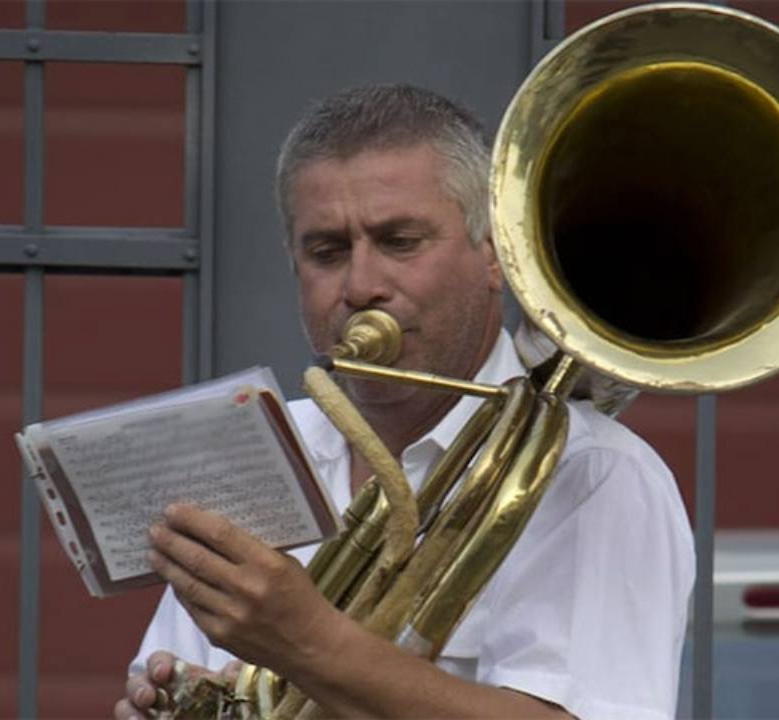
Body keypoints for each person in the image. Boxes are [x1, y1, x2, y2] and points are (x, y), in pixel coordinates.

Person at [115, 84, 695, 720]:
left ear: (497, 253)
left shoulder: (594, 472)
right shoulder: (260, 452)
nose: (361, 286)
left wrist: (307, 640)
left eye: (400, 242)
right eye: (327, 252)